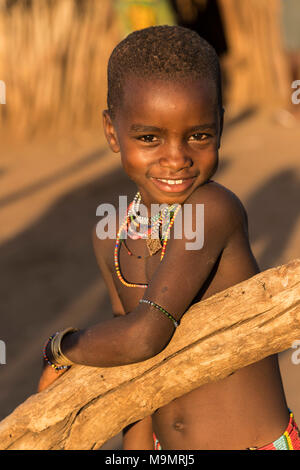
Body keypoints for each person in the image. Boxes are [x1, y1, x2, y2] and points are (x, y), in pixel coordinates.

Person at [38, 26, 300, 450]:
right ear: (111, 132)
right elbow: (132, 371)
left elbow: (144, 336)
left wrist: (60, 349)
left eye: (198, 135)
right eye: (148, 138)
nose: (176, 158)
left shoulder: (213, 211)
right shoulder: (111, 237)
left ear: (220, 125)